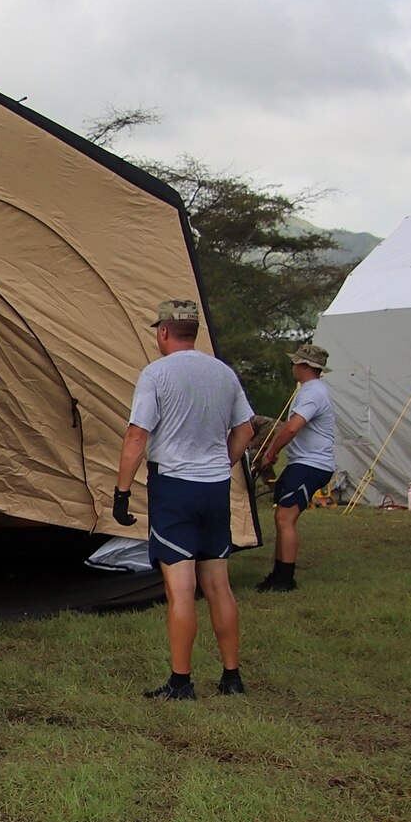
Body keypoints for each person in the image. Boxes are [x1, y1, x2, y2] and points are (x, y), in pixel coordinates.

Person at [113, 299, 256, 700]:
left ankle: (181, 682)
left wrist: (121, 492)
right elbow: (245, 430)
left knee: (180, 587)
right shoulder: (222, 373)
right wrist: (220, 463)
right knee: (219, 585)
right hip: (214, 488)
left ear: (163, 331)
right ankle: (231, 677)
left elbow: (137, 436)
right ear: (194, 332)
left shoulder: (156, 374)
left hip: (175, 487)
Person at [253, 343, 338, 591]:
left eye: (294, 363)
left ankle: (285, 578)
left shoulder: (313, 392)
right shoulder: (310, 390)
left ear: (304, 366)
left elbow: (292, 427)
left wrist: (271, 451)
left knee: (285, 517)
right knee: (283, 516)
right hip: (303, 461)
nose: (292, 367)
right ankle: (278, 573)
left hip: (311, 464)